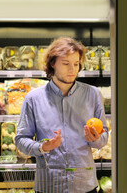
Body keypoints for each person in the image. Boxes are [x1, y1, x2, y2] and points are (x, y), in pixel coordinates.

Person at [15, 37, 109, 193]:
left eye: (76, 64)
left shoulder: (93, 94)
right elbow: (20, 140)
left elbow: (103, 136)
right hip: (49, 185)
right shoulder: (33, 99)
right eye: (66, 64)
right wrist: (42, 147)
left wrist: (96, 139)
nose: (72, 69)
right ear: (53, 63)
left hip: (84, 185)